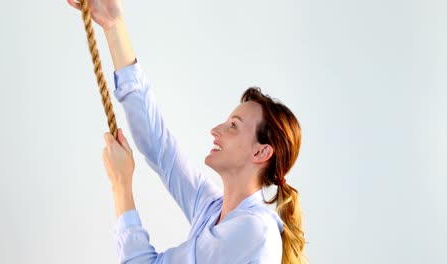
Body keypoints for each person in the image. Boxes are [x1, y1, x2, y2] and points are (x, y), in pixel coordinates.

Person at [67, 0, 308, 263]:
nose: (216, 130)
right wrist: (114, 26)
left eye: (233, 126)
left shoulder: (254, 230)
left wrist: (121, 184)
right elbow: (159, 147)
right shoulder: (213, 209)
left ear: (261, 151)